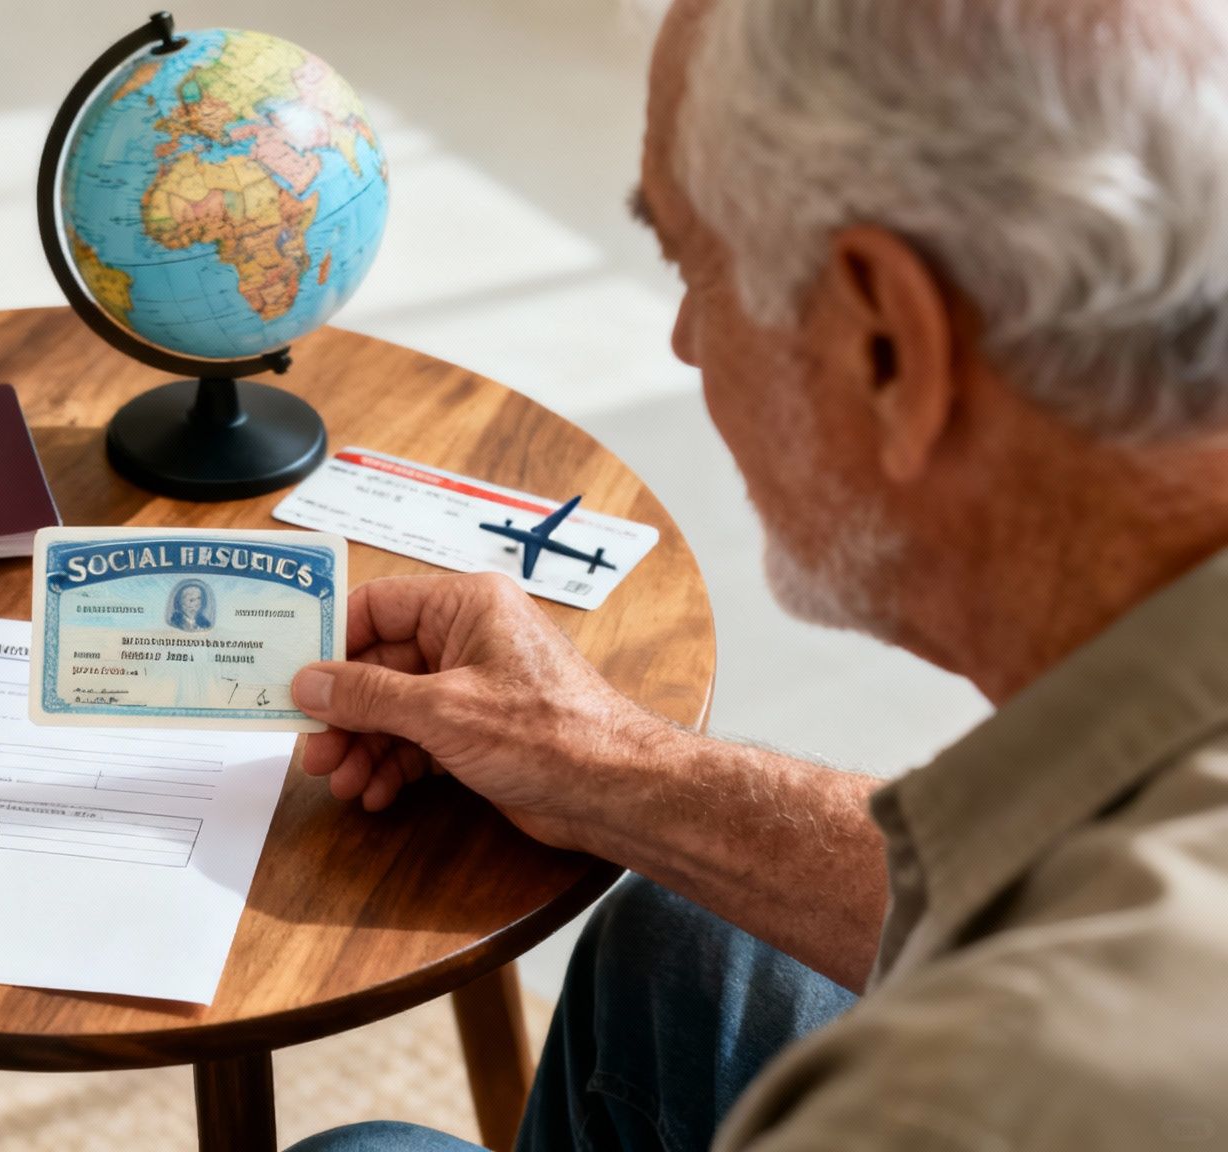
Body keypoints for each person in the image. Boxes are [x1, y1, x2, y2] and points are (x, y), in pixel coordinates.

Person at [289, 0, 1228, 1148]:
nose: (684, 340)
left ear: (886, 345)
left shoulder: (961, 1092)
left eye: (695, 268)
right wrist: (599, 760)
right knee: (688, 941)